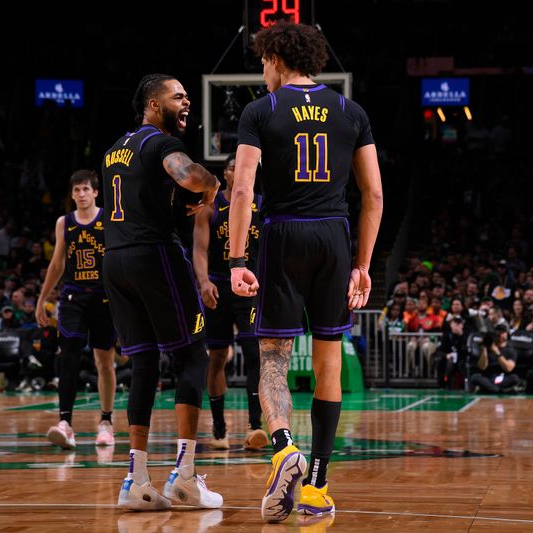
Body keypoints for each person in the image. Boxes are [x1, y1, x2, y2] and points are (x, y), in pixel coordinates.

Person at [229, 21, 383, 522]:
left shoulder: (260, 110)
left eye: (262, 61)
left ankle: (282, 448)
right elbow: (375, 196)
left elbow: (242, 189)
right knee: (329, 363)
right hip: (335, 236)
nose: (262, 71)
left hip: (283, 233)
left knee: (272, 356)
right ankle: (316, 487)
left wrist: (235, 260)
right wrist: (362, 265)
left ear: (275, 57)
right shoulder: (351, 111)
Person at [101, 73, 222, 511]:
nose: (187, 101)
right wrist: (211, 186)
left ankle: (136, 479)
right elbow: (189, 176)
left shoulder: (114, 149)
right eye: (178, 96)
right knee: (193, 354)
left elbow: (145, 195)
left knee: (146, 361)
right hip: (153, 255)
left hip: (114, 260)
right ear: (154, 105)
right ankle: (185, 477)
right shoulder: (160, 142)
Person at [36, 170, 117, 450]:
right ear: (71, 195)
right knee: (68, 355)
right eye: (77, 190)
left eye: (86, 189)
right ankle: (65, 424)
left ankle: (106, 421)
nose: (81, 194)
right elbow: (57, 263)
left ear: (95, 192)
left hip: (104, 298)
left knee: (103, 361)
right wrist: (42, 298)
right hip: (73, 297)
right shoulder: (64, 223)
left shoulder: (109, 219)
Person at [193, 153, 268, 451]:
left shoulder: (262, 205)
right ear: (225, 173)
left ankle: (254, 426)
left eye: (245, 168)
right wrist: (203, 282)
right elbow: (199, 249)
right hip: (219, 285)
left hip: (249, 286)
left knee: (253, 353)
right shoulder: (210, 207)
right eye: (235, 168)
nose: (240, 172)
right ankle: (219, 425)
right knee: (217, 357)